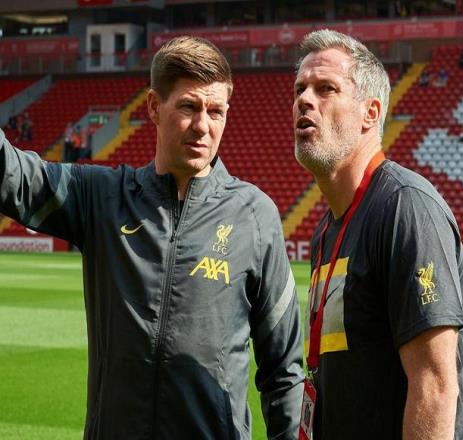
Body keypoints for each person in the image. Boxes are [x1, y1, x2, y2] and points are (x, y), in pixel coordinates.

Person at [0, 36, 303, 439]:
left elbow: (284, 371)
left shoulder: (254, 215)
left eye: (216, 111)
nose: (203, 126)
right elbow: (12, 175)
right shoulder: (102, 198)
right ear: (153, 107)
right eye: (189, 107)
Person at [293, 29, 463, 439]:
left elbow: (435, 387)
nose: (305, 100)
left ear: (371, 113)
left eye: (326, 88)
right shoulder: (326, 228)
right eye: (300, 89)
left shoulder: (406, 207)